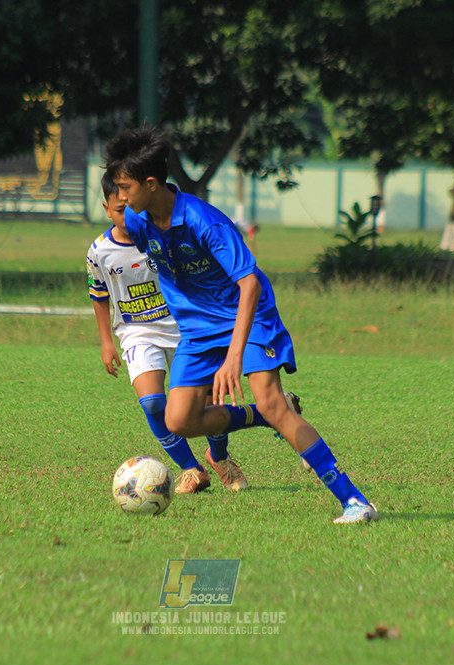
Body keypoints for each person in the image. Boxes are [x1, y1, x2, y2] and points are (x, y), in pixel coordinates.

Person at [104, 126, 377, 524]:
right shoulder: (139, 220)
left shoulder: (203, 221)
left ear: (151, 183)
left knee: (269, 399)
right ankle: (268, 415)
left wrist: (234, 356)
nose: (120, 197)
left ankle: (353, 499)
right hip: (199, 330)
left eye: (125, 187)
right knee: (179, 420)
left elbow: (248, 283)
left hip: (247, 317)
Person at [87, 172, 247, 494]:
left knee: (205, 399)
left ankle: (219, 456)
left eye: (131, 207)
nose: (128, 215)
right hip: (137, 331)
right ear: (107, 209)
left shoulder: (158, 235)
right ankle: (191, 468)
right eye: (120, 210)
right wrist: (106, 342)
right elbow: (99, 294)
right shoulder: (99, 252)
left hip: (181, 326)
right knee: (152, 403)